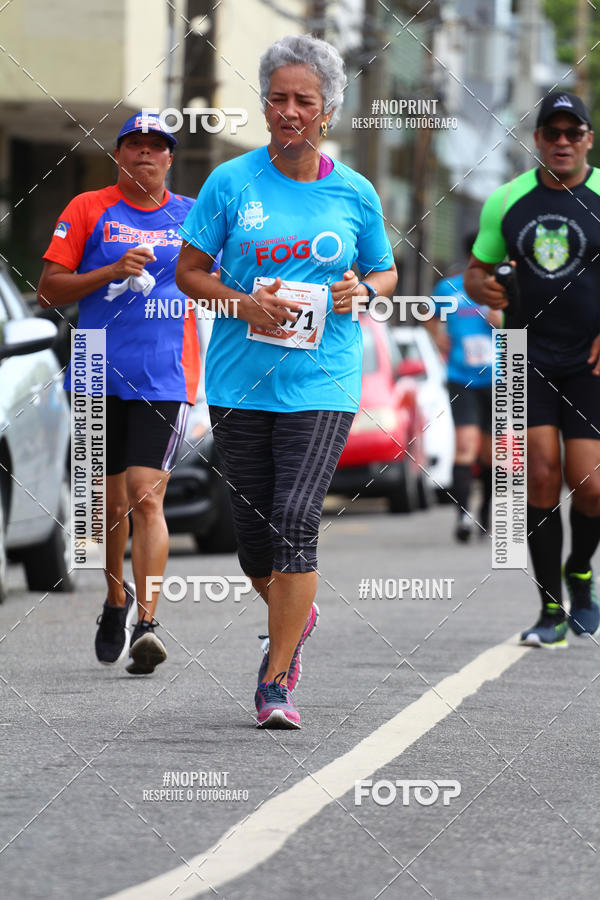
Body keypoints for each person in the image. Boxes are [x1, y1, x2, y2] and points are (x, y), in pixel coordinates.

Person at [176, 34, 397, 728]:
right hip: (240, 381)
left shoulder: (354, 192)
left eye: (305, 100)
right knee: (252, 540)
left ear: (328, 109)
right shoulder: (230, 183)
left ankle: (276, 679)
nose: (290, 111)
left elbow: (383, 273)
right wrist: (242, 304)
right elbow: (189, 272)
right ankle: (293, 610)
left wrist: (362, 291)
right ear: (265, 106)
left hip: (323, 378)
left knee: (297, 518)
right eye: (279, 99)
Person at [38, 112, 201, 674]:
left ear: (170, 160)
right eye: (135, 145)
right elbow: (49, 291)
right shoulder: (87, 208)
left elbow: (223, 280)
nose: (146, 155)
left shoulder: (191, 215)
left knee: (144, 495)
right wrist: (107, 271)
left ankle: (148, 623)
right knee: (108, 506)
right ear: (119, 154)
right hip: (94, 367)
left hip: (165, 373)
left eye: (158, 147)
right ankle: (115, 600)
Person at [464, 91, 600, 647]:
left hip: (589, 358)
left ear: (588, 139)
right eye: (552, 132)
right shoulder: (507, 200)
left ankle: (581, 577)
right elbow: (475, 271)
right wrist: (485, 286)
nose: (562, 142)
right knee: (538, 475)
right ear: (538, 139)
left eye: (574, 133)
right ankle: (550, 611)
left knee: (590, 485)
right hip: (523, 353)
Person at [426, 235, 501, 542]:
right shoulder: (449, 289)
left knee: (491, 454)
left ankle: (486, 511)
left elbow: (527, 327)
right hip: (461, 377)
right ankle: (462, 516)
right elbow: (429, 315)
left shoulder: (501, 289)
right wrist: (437, 337)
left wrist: (504, 320)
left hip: (499, 379)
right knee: (466, 445)